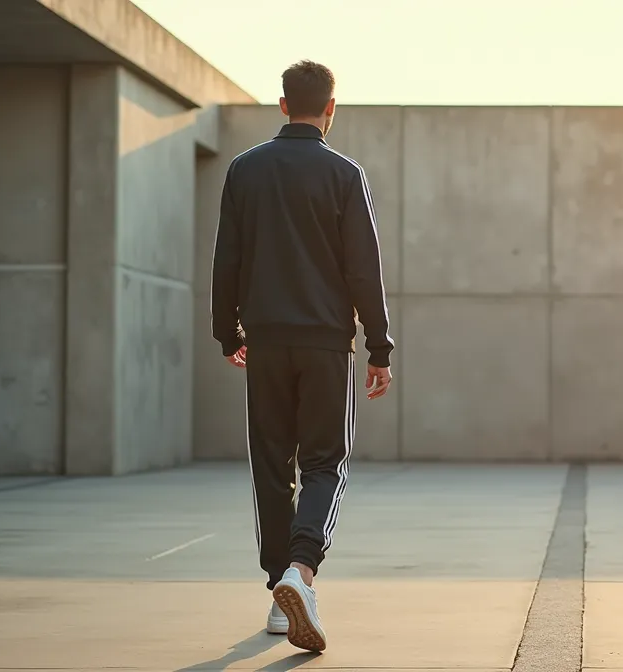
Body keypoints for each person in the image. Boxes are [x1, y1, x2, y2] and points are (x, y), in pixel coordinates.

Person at [210, 59, 394, 653]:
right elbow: (362, 267)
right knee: (324, 463)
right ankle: (301, 575)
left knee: (270, 464)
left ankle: (278, 597)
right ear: (330, 109)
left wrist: (226, 331)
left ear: (283, 104)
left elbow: (226, 260)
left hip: (263, 340)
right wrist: (379, 346)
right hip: (322, 343)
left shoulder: (244, 170)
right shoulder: (344, 174)